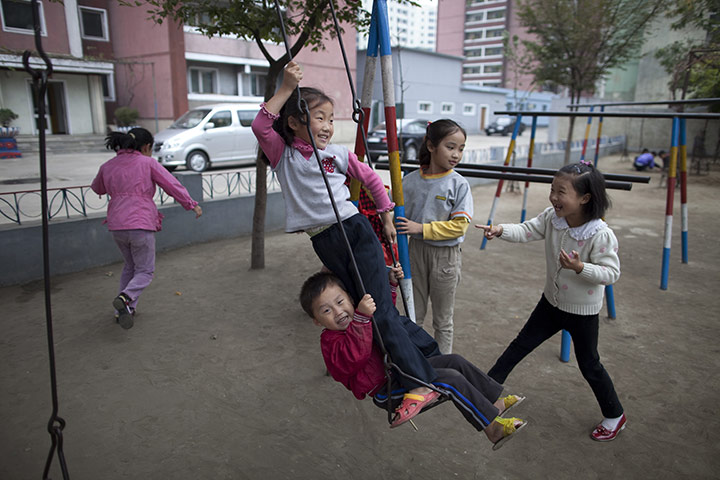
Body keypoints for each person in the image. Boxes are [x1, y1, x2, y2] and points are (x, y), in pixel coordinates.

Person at [251, 61, 439, 409]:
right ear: (294, 122)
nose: (326, 126)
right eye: (319, 118)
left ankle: (419, 381)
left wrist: (384, 217)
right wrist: (288, 88)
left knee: (378, 307)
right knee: (362, 305)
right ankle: (425, 353)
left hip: (355, 231)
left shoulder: (337, 154)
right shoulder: (284, 156)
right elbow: (261, 124)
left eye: (331, 119)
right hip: (324, 239)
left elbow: (369, 178)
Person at [476, 161, 626, 442]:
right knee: (519, 346)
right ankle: (483, 393)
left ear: (585, 198)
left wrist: (581, 268)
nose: (554, 197)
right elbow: (527, 230)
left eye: (562, 192)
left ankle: (615, 414)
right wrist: (500, 230)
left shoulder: (600, 234)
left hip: (582, 313)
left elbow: (611, 273)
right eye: (552, 190)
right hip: (550, 304)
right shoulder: (552, 218)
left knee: (590, 365)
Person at [299, 271, 527, 450]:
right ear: (317, 321)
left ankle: (492, 403)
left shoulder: (362, 318)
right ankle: (492, 429)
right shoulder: (331, 342)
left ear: (349, 297)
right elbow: (354, 357)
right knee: (450, 379)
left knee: (454, 361)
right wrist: (360, 317)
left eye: (340, 302)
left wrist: (390, 285)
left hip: (402, 373)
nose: (338, 312)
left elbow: (385, 315)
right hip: (386, 391)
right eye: (326, 310)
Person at [91, 128, 202, 329]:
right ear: (146, 147)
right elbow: (171, 184)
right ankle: (125, 298)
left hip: (116, 226)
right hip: (140, 223)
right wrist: (191, 203)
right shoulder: (147, 163)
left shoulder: (108, 166)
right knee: (145, 271)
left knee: (130, 266)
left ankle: (123, 311)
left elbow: (97, 188)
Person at [395, 119, 473, 354]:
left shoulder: (459, 184)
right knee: (413, 314)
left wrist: (421, 228)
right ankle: (415, 363)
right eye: (450, 147)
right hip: (414, 253)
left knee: (443, 320)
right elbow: (396, 218)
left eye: (461, 148)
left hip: (445, 256)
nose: (456, 154)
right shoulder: (408, 182)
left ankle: (443, 368)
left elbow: (459, 226)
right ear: (431, 146)